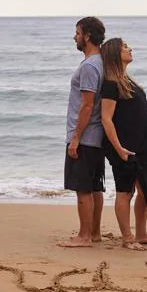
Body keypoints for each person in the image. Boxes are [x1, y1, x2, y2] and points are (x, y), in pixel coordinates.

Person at [100, 37, 147, 251]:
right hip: (125, 147)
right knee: (125, 191)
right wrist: (119, 149)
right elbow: (106, 119)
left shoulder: (128, 81)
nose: (130, 49)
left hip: (144, 147)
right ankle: (128, 239)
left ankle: (142, 233)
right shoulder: (110, 84)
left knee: (146, 188)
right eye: (125, 47)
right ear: (114, 54)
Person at [58, 17, 106, 248]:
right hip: (97, 136)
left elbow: (87, 105)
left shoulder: (89, 66)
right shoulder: (101, 62)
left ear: (87, 36)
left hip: (86, 136)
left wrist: (76, 138)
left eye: (77, 33)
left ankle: (84, 236)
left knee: (83, 189)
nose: (74, 37)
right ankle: (94, 233)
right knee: (95, 187)